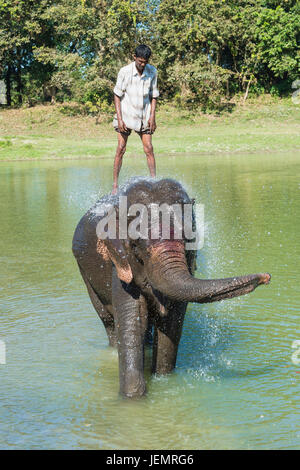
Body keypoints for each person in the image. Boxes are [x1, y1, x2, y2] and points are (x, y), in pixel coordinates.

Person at [112, 44, 159, 194]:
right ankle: (115, 186)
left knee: (149, 148)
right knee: (121, 148)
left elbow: (154, 95)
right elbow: (117, 96)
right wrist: (119, 119)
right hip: (126, 115)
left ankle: (154, 182)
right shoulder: (124, 72)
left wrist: (152, 116)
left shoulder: (152, 72)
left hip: (144, 115)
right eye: (140, 61)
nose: (143, 64)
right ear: (134, 58)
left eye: (145, 61)